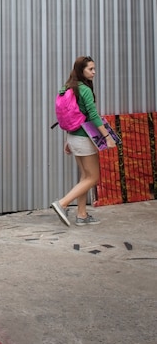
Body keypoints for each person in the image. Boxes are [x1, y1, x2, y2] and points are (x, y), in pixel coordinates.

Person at [50, 56, 116, 227]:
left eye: (94, 69)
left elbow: (71, 116)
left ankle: (82, 215)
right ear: (81, 70)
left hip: (73, 137)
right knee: (93, 177)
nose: (94, 72)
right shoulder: (84, 89)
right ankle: (62, 203)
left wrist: (68, 140)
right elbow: (93, 116)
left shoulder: (67, 87)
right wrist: (107, 137)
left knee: (85, 176)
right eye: (90, 69)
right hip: (84, 139)